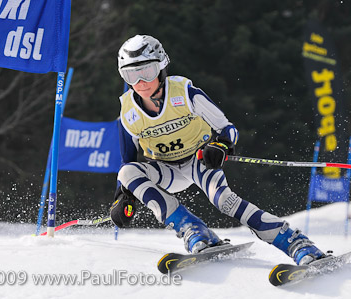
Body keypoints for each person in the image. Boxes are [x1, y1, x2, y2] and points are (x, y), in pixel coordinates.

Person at [109, 34, 326, 265]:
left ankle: (296, 243)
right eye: (132, 75)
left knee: (224, 201)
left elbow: (228, 129)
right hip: (166, 170)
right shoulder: (128, 112)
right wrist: (123, 198)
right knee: (126, 174)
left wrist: (220, 145)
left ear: (162, 67)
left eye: (147, 72)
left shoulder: (185, 93)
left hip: (198, 161)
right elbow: (128, 163)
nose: (141, 82)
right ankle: (193, 229)